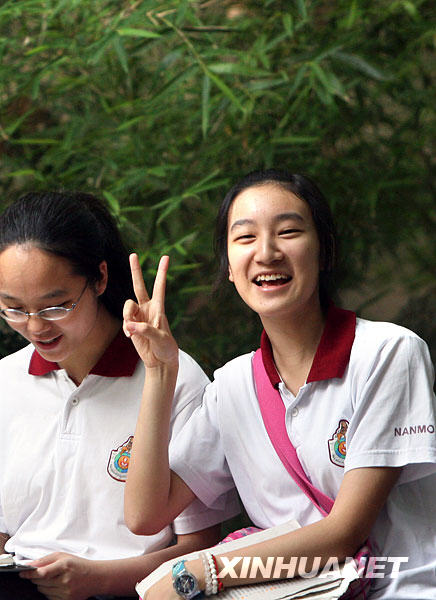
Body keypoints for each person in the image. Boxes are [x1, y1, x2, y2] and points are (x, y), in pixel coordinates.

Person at [123, 169, 436, 599]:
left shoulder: (387, 353)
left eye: (288, 232)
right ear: (229, 267)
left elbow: (343, 533)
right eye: (245, 237)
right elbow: (146, 515)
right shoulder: (232, 386)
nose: (267, 253)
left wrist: (202, 570)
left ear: (325, 251)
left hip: (397, 588)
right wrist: (160, 372)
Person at [0, 191, 239, 600]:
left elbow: (199, 548)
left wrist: (98, 578)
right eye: (14, 309)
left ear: (100, 278)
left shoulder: (174, 379)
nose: (36, 327)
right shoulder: (7, 380)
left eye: (56, 306)